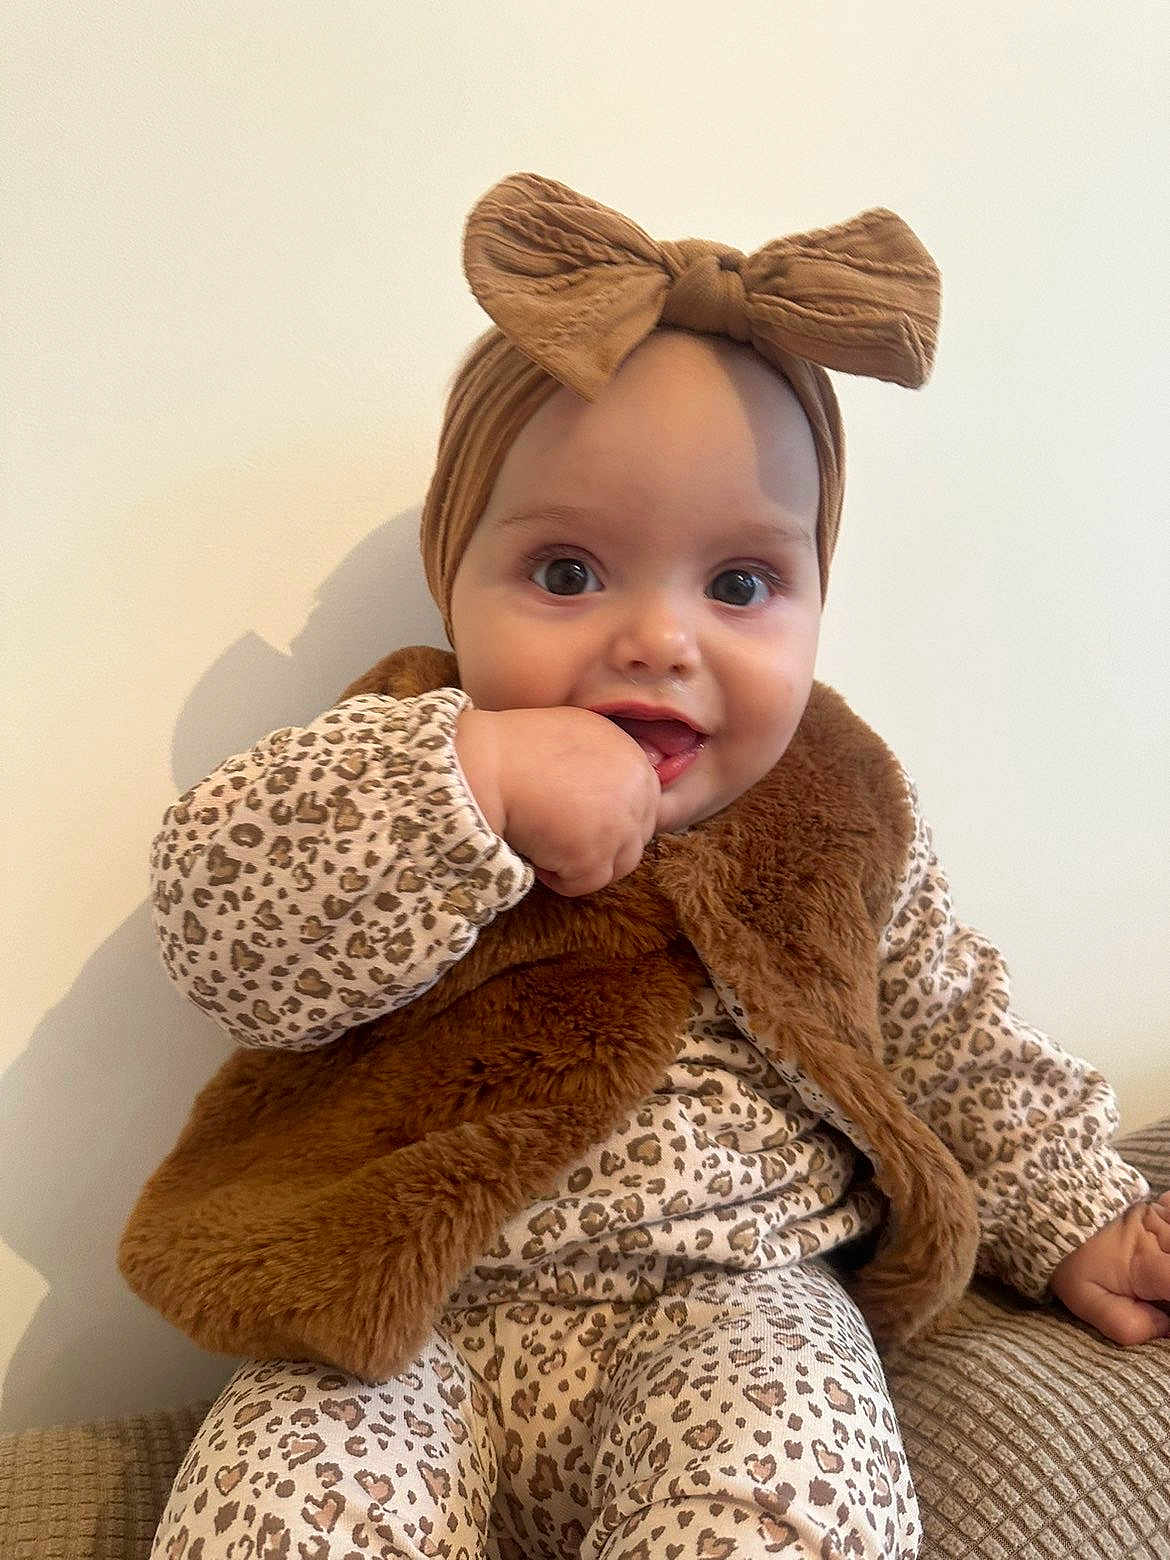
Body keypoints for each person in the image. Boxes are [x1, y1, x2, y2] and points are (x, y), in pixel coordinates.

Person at [136, 174, 1170, 1560]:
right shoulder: (395, 745)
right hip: (400, 1318)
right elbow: (231, 929)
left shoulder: (840, 801)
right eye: (566, 573)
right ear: (456, 574)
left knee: (795, 1482)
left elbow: (951, 1038)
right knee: (284, 1495)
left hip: (735, 1305)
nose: (656, 639)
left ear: (813, 601)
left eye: (737, 585)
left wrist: (1078, 1219)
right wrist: (475, 787)